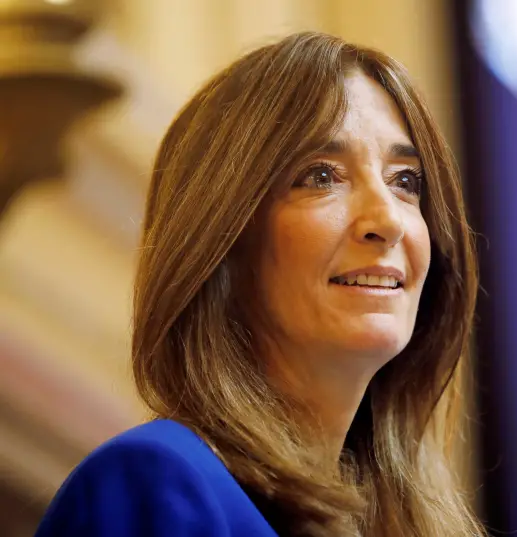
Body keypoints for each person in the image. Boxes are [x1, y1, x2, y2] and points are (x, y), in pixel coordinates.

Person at [35, 32, 484, 537]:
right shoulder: (158, 482)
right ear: (223, 240)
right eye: (320, 175)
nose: (388, 219)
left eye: (405, 181)